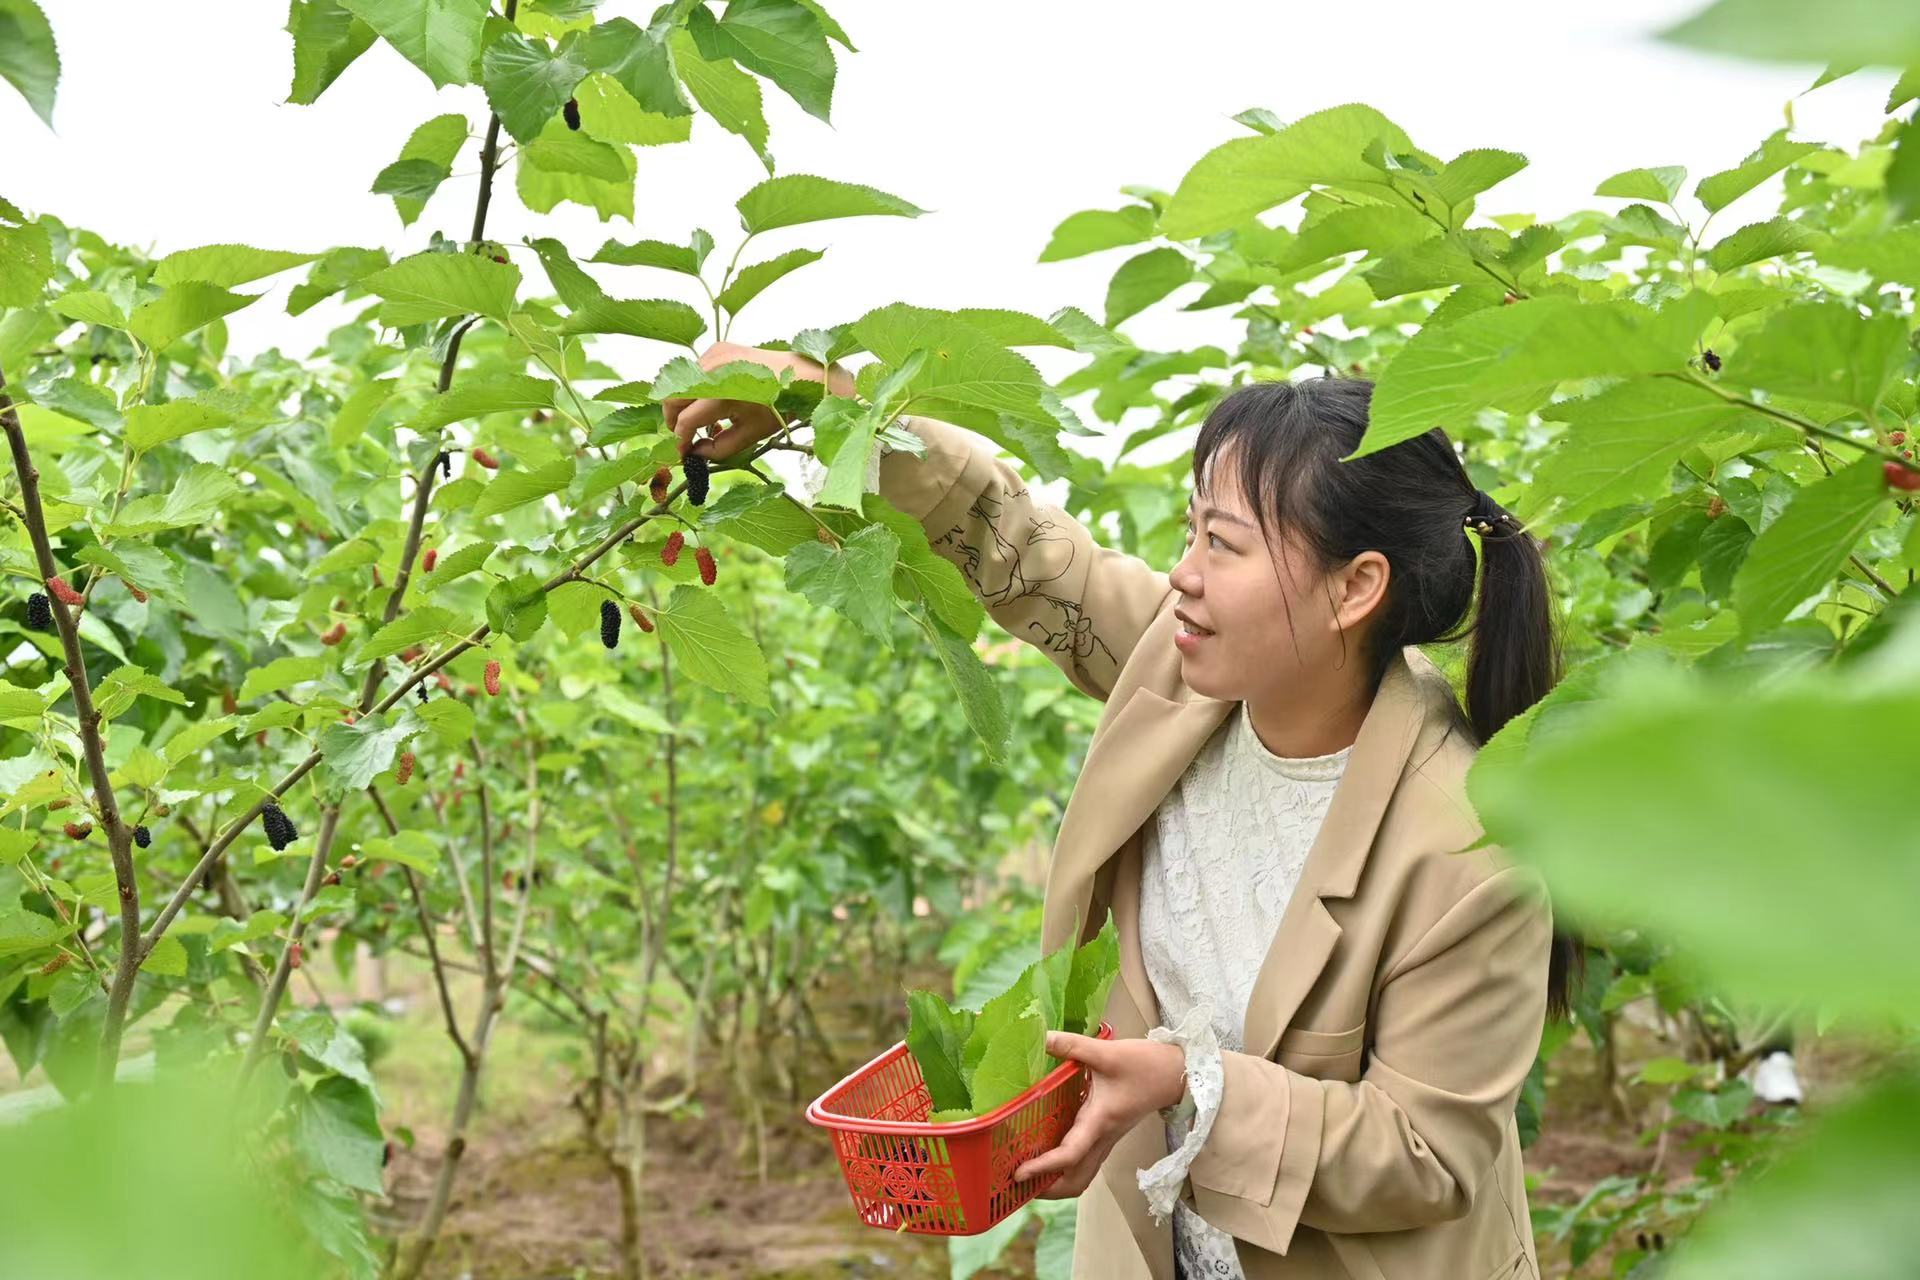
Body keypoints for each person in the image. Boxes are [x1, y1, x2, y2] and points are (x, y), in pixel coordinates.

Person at [666, 345, 1578, 1280]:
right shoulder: (1181, 675)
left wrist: (1196, 1086)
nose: (1183, 573)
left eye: (1222, 545)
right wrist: (824, 405)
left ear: (1357, 587)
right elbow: (1009, 540)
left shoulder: (1470, 855)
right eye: (1191, 533)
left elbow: (1425, 1154)